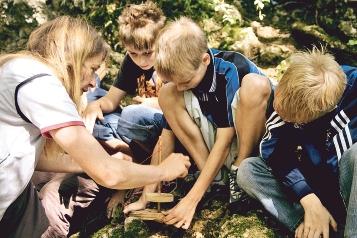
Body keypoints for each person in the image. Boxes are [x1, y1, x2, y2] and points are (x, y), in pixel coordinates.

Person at [0, 16, 190, 238]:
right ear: (73, 59)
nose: (93, 82)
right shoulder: (39, 82)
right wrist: (163, 170)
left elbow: (35, 157)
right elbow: (108, 174)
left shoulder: (18, 70)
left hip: (15, 199)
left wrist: (90, 163)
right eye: (92, 68)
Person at [124, 17, 272, 229]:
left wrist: (191, 200)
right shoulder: (181, 78)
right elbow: (166, 136)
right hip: (216, 143)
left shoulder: (230, 69)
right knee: (166, 93)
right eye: (177, 82)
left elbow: (225, 138)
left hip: (248, 141)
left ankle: (237, 175)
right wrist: (147, 194)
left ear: (205, 60)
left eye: (185, 82)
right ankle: (212, 180)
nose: (182, 88)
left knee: (255, 85)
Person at [236, 48, 357, 237]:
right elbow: (275, 151)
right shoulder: (290, 95)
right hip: (312, 185)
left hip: (348, 191)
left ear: (318, 113)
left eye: (292, 120)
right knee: (248, 170)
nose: (279, 114)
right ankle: (313, 225)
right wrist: (308, 198)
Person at [83, 1, 166, 155]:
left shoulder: (171, 58)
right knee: (91, 96)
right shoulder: (130, 62)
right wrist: (96, 105)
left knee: (131, 114)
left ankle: (124, 150)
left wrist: (156, 104)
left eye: (148, 53)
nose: (141, 61)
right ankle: (125, 149)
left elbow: (191, 106)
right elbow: (111, 100)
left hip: (167, 127)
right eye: (133, 53)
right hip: (138, 129)